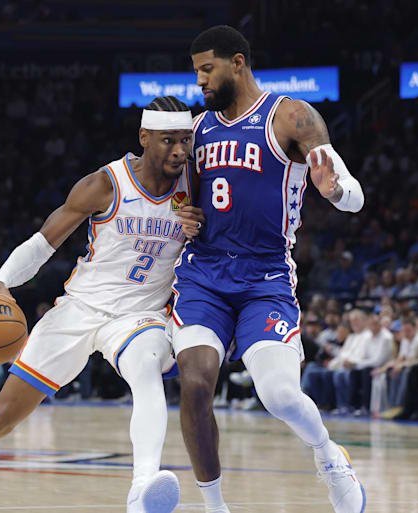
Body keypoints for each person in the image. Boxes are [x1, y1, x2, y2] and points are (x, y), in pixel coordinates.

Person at [0, 96, 205, 513]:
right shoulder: (106, 183)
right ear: (144, 137)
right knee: (0, 419)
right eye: (168, 140)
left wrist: (204, 226)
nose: (178, 150)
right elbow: (43, 243)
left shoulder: (198, 184)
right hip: (80, 308)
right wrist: (0, 282)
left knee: (146, 370)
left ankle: (142, 490)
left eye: (185, 140)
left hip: (140, 315)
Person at [173, 26, 366, 513]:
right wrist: (182, 214)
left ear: (237, 63)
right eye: (196, 72)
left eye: (207, 69)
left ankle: (328, 454)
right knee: (195, 384)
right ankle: (215, 506)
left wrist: (333, 190)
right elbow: (179, 198)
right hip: (204, 275)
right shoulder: (196, 129)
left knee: (279, 396)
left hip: (265, 277)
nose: (200, 81)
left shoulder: (292, 117)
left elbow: (355, 198)